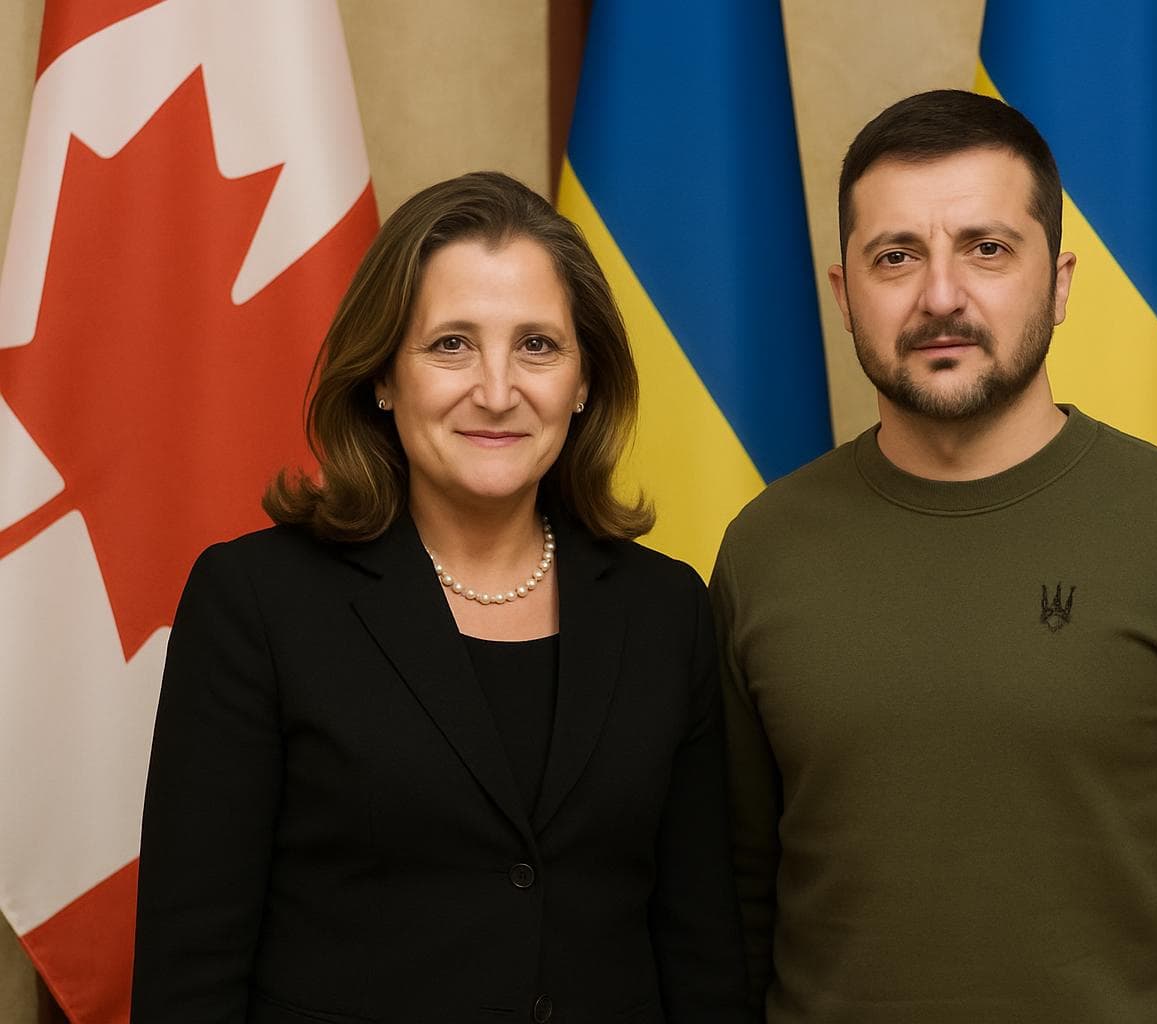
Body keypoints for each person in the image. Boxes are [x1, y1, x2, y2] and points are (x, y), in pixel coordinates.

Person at [712, 90, 1157, 1023]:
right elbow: (731, 903)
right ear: (844, 294)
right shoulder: (763, 548)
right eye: (896, 257)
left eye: (987, 249)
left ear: (1057, 281)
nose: (940, 296)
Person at [133, 171, 750, 1023]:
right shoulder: (256, 603)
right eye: (451, 344)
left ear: (584, 381)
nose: (496, 391)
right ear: (383, 376)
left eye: (537, 345)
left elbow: (703, 957)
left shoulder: (666, 610)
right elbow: (189, 974)